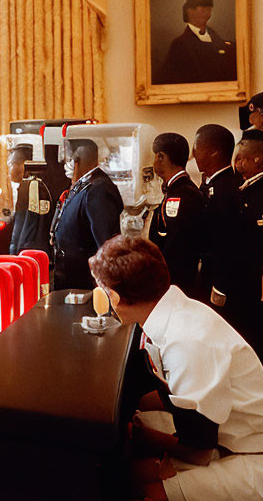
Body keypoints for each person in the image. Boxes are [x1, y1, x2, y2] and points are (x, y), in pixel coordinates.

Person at [89, 235, 263, 501]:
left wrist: (138, 434)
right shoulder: (171, 312)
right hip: (222, 435)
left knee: (143, 490)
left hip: (249, 452)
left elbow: (199, 452)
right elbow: (172, 391)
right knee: (131, 470)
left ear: (113, 296)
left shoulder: (186, 344)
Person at [50, 139, 122, 290]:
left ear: (77, 160)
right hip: (69, 275)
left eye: (68, 159)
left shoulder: (99, 188)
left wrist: (104, 285)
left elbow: (105, 242)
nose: (66, 164)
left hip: (84, 280)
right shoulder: (83, 185)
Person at [193, 125, 242, 322]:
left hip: (220, 276)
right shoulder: (211, 183)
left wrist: (220, 286)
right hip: (207, 268)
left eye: (197, 148)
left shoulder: (227, 189)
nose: (193, 154)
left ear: (214, 152)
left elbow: (227, 242)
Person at [148, 133, 205, 298]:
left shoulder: (182, 194)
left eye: (155, 156)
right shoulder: (176, 189)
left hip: (176, 283)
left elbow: (176, 245)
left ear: (161, 157)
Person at [158, 0, 236, 85]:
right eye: (203, 9)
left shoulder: (220, 41)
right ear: (189, 11)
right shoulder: (179, 44)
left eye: (209, 9)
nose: (207, 13)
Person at [233, 129, 263, 358]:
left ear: (258, 159)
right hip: (245, 276)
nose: (238, 164)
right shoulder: (243, 188)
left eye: (242, 159)